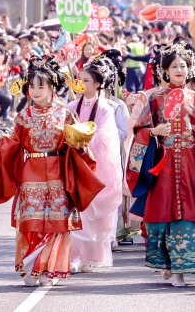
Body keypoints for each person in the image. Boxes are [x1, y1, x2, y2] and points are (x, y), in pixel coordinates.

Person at [0, 55, 104, 287]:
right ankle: (32, 269)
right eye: (32, 86)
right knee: (31, 222)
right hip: (30, 175)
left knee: (56, 224)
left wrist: (81, 146)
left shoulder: (65, 114)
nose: (36, 90)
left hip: (58, 175)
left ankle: (48, 269)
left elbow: (77, 143)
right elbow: (11, 143)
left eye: (41, 85)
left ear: (52, 87)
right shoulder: (23, 117)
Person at [131, 41, 195, 287]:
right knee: (164, 213)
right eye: (174, 66)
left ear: (189, 69)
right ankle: (167, 264)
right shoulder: (155, 99)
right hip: (163, 168)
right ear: (165, 71)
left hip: (191, 167)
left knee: (188, 213)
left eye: (183, 65)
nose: (179, 70)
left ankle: (180, 270)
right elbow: (139, 130)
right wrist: (153, 131)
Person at [66, 56, 123, 272]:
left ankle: (89, 256)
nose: (81, 84)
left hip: (95, 167)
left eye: (86, 80)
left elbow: (106, 138)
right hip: (75, 166)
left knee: (93, 213)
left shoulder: (106, 109)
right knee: (76, 211)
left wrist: (81, 136)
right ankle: (74, 255)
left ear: (98, 84)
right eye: (79, 80)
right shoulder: (71, 105)